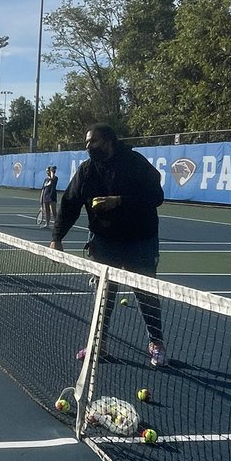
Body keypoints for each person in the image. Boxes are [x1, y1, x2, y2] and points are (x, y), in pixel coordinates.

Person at [51, 123, 167, 367]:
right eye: (86, 143)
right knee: (103, 296)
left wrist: (120, 201)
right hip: (105, 242)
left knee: (146, 294)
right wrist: (57, 238)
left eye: (92, 142)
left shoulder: (135, 162)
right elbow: (70, 203)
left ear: (108, 141)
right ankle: (98, 344)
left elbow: (156, 196)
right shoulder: (87, 171)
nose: (88, 147)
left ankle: (156, 344)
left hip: (140, 240)